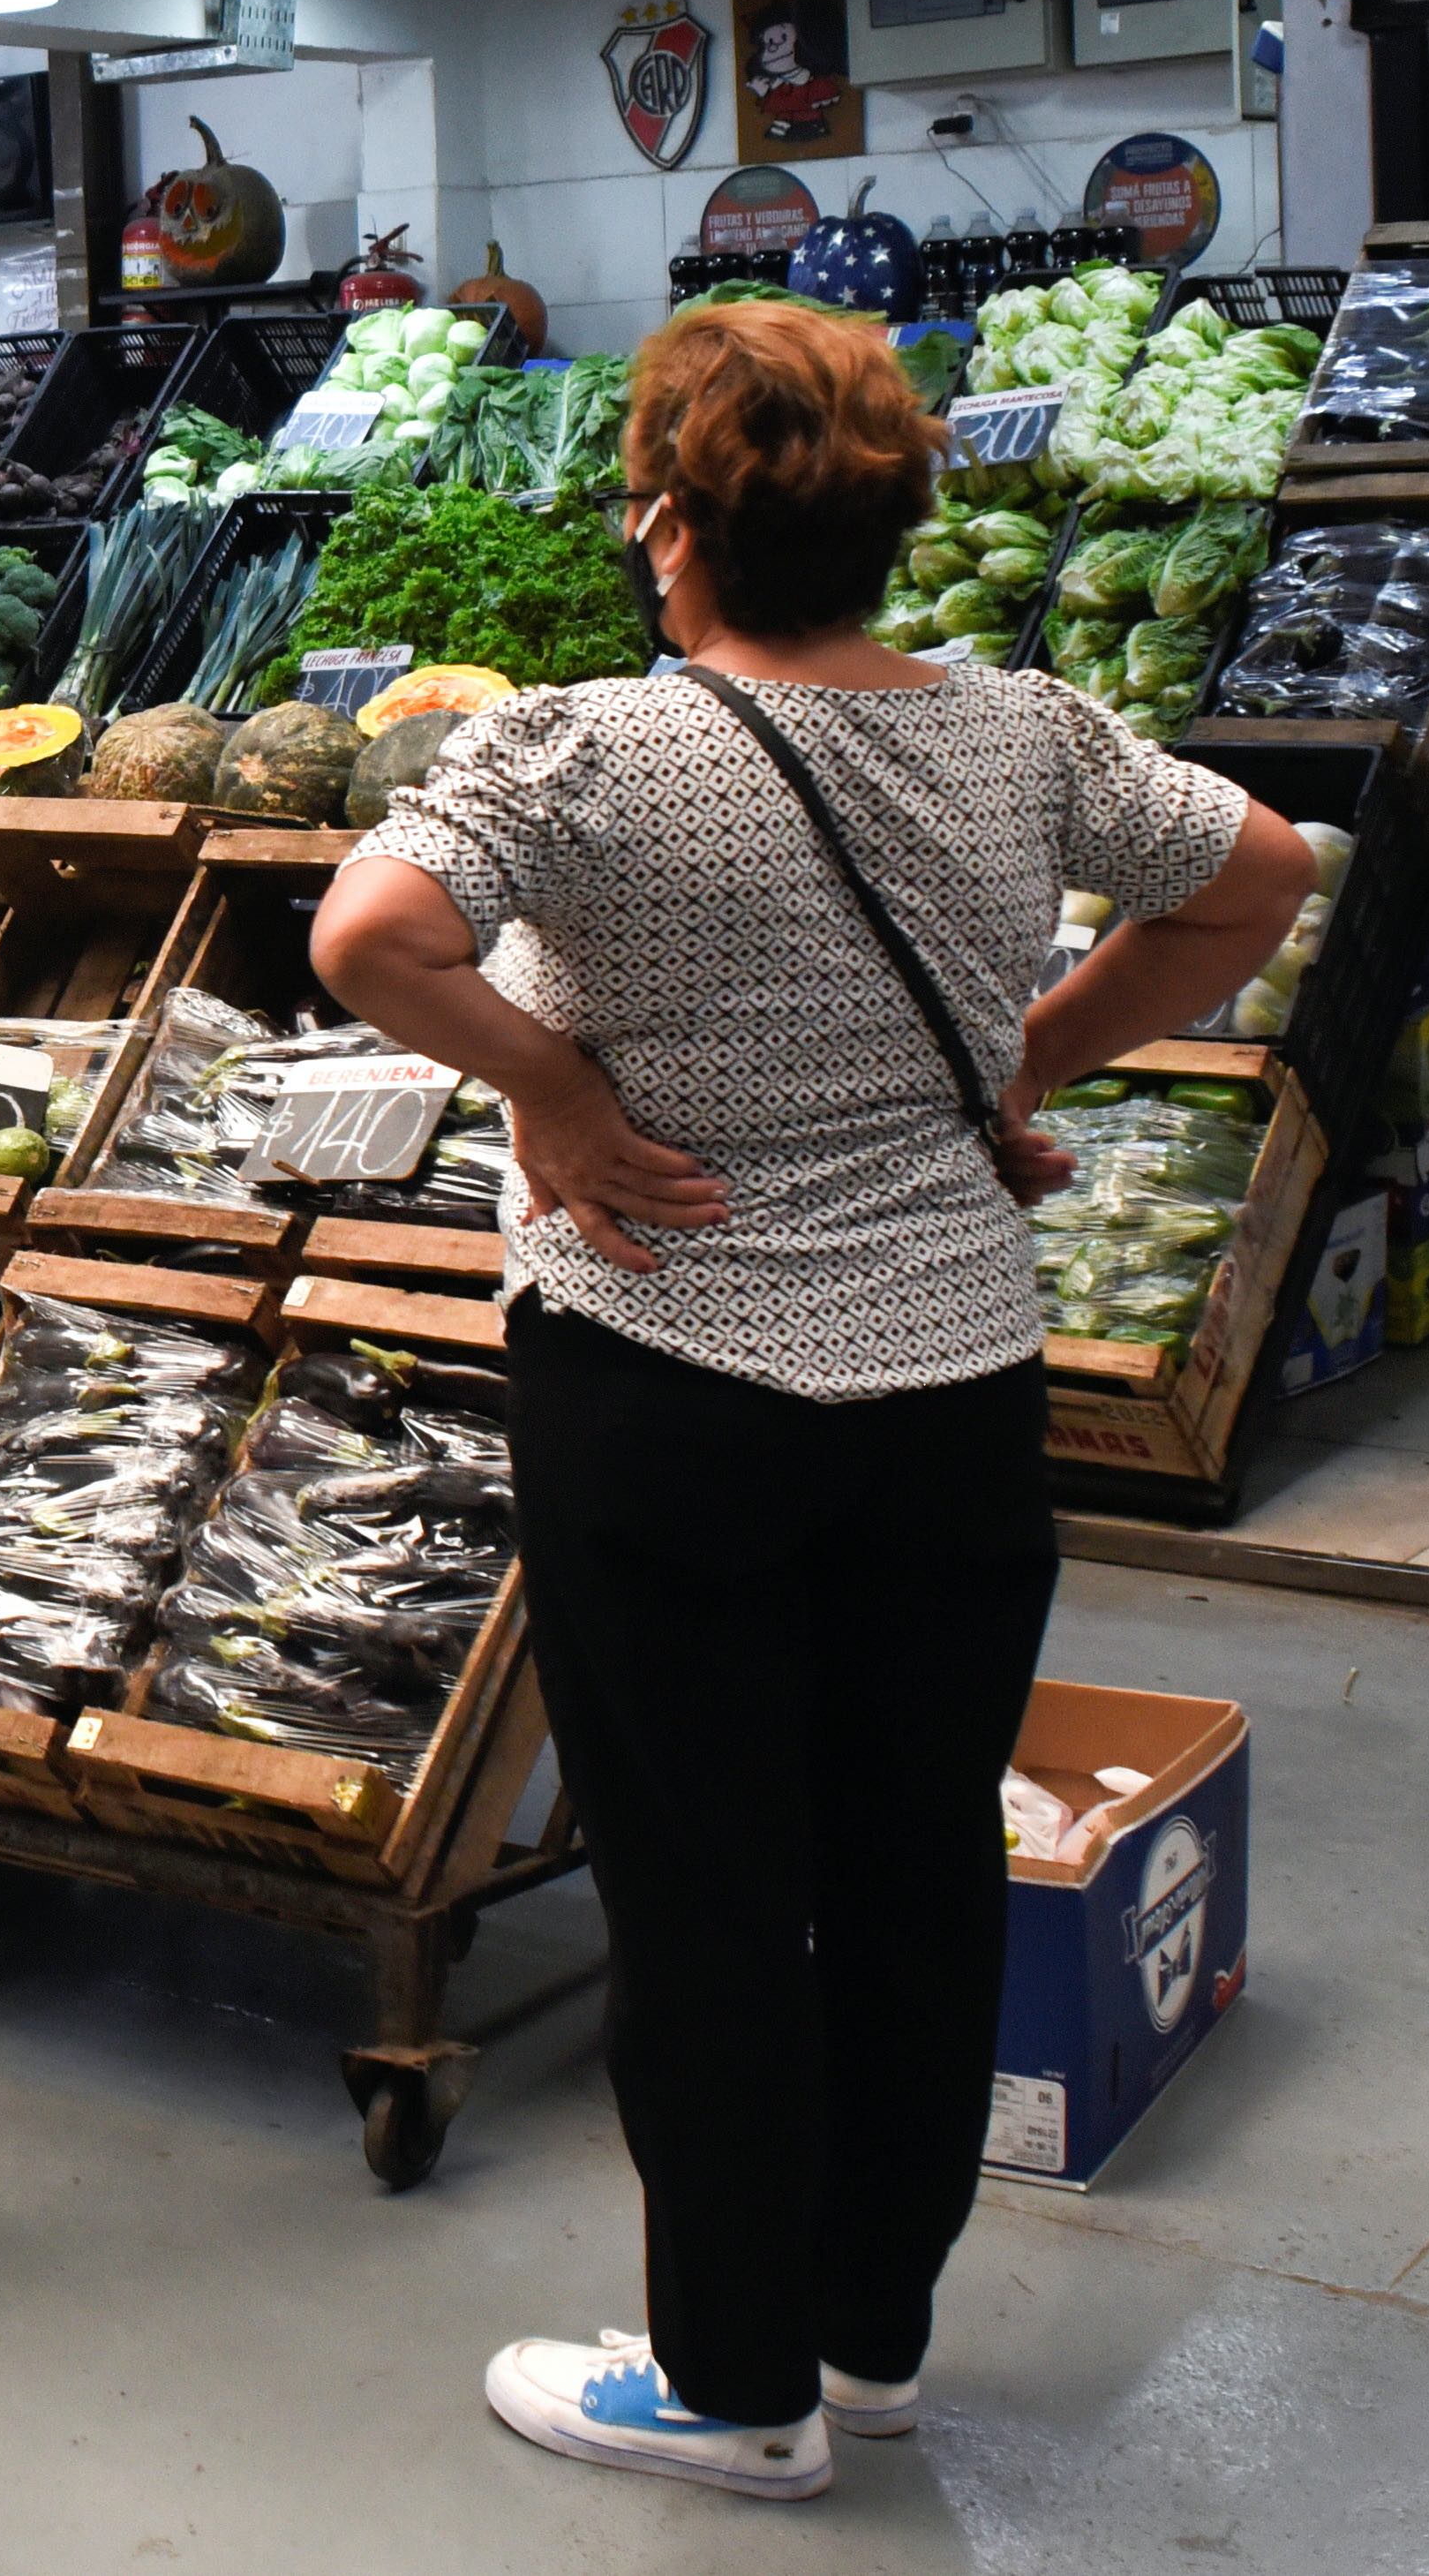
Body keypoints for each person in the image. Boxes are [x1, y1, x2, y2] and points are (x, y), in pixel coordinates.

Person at [309, 299, 1312, 2504]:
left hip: (660, 1372)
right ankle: (870, 2337)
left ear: (666, 527)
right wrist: (1020, 1058)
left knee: (703, 1882)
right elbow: (1259, 873)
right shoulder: (1021, 731)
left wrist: (555, 1083)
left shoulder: (580, 748)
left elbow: (370, 937)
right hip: (949, 1382)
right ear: (890, 519)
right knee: (907, 1858)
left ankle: (729, 2375)